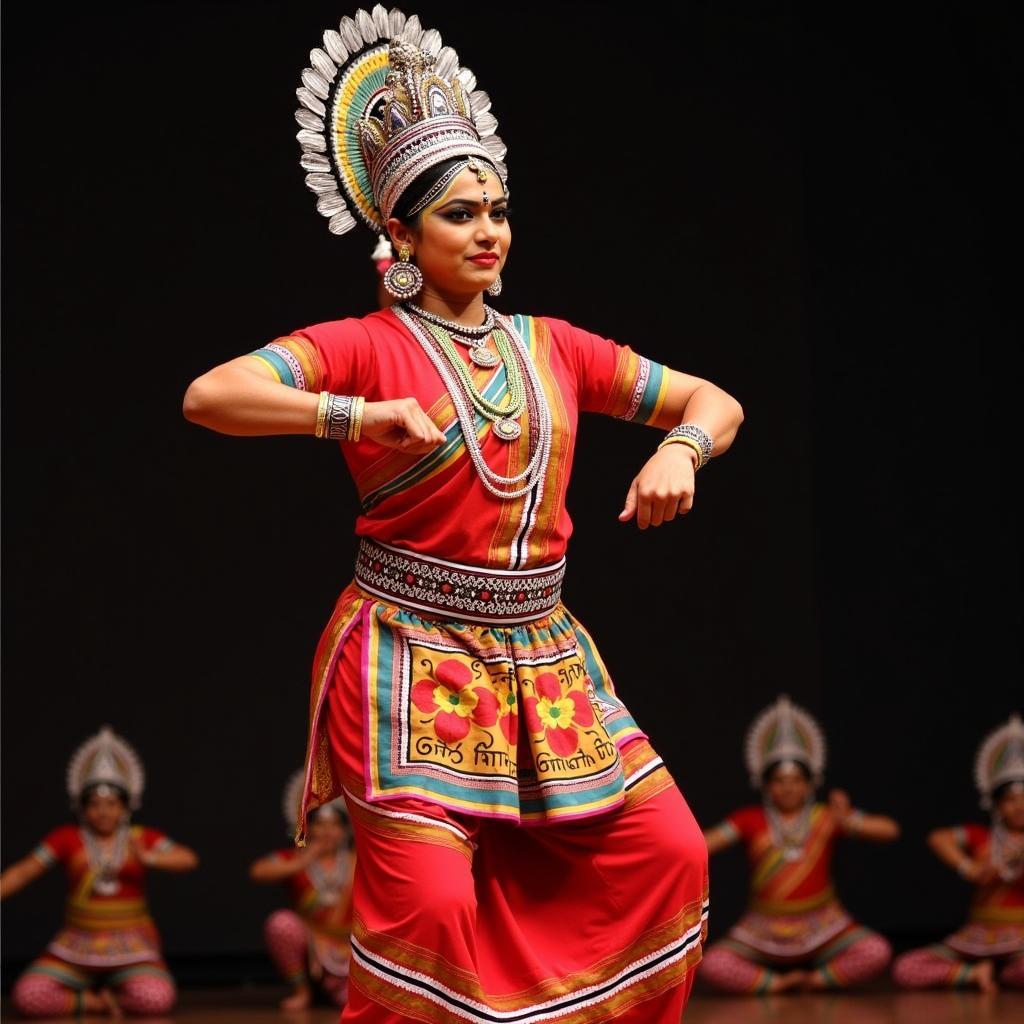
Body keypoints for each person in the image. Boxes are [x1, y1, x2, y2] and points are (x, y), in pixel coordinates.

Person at [183, 7, 744, 1020]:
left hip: (543, 651)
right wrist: (349, 412)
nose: (487, 230)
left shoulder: (554, 346)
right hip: (405, 653)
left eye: (497, 208)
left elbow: (715, 399)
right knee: (433, 908)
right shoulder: (361, 344)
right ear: (398, 232)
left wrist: (679, 448)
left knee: (666, 853)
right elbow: (211, 394)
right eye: (457, 213)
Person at [700, 696, 898, 993]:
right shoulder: (749, 820)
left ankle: (815, 981)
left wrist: (850, 822)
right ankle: (777, 984)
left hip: (824, 925)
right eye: (780, 780)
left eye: (796, 780)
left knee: (875, 951)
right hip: (762, 928)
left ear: (810, 783)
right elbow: (701, 845)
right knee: (713, 963)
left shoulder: (827, 816)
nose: (788, 787)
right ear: (765, 784)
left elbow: (890, 831)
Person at [0, 727, 198, 1018]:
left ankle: (116, 993)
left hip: (131, 942)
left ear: (125, 806)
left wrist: (149, 858)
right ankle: (97, 1003)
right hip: (77, 943)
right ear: (81, 807)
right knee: (28, 996)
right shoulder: (67, 838)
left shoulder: (140, 837)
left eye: (111, 804)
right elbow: (23, 872)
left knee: (156, 999)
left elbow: (188, 859)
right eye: (94, 804)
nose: (103, 812)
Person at [892, 714, 1024, 992]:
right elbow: (938, 838)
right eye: (1010, 799)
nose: (1018, 806)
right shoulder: (981, 836)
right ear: (995, 804)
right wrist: (969, 868)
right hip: (979, 935)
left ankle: (1005, 975)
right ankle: (974, 974)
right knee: (907, 968)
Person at [250, 770, 355, 1010]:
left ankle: (339, 987)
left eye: (335, 826)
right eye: (321, 825)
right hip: (310, 944)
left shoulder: (356, 860)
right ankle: (302, 991)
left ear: (345, 831)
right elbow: (258, 871)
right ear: (309, 828)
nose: (328, 832)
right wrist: (304, 860)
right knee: (281, 923)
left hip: (348, 948)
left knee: (347, 1003)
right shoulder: (294, 859)